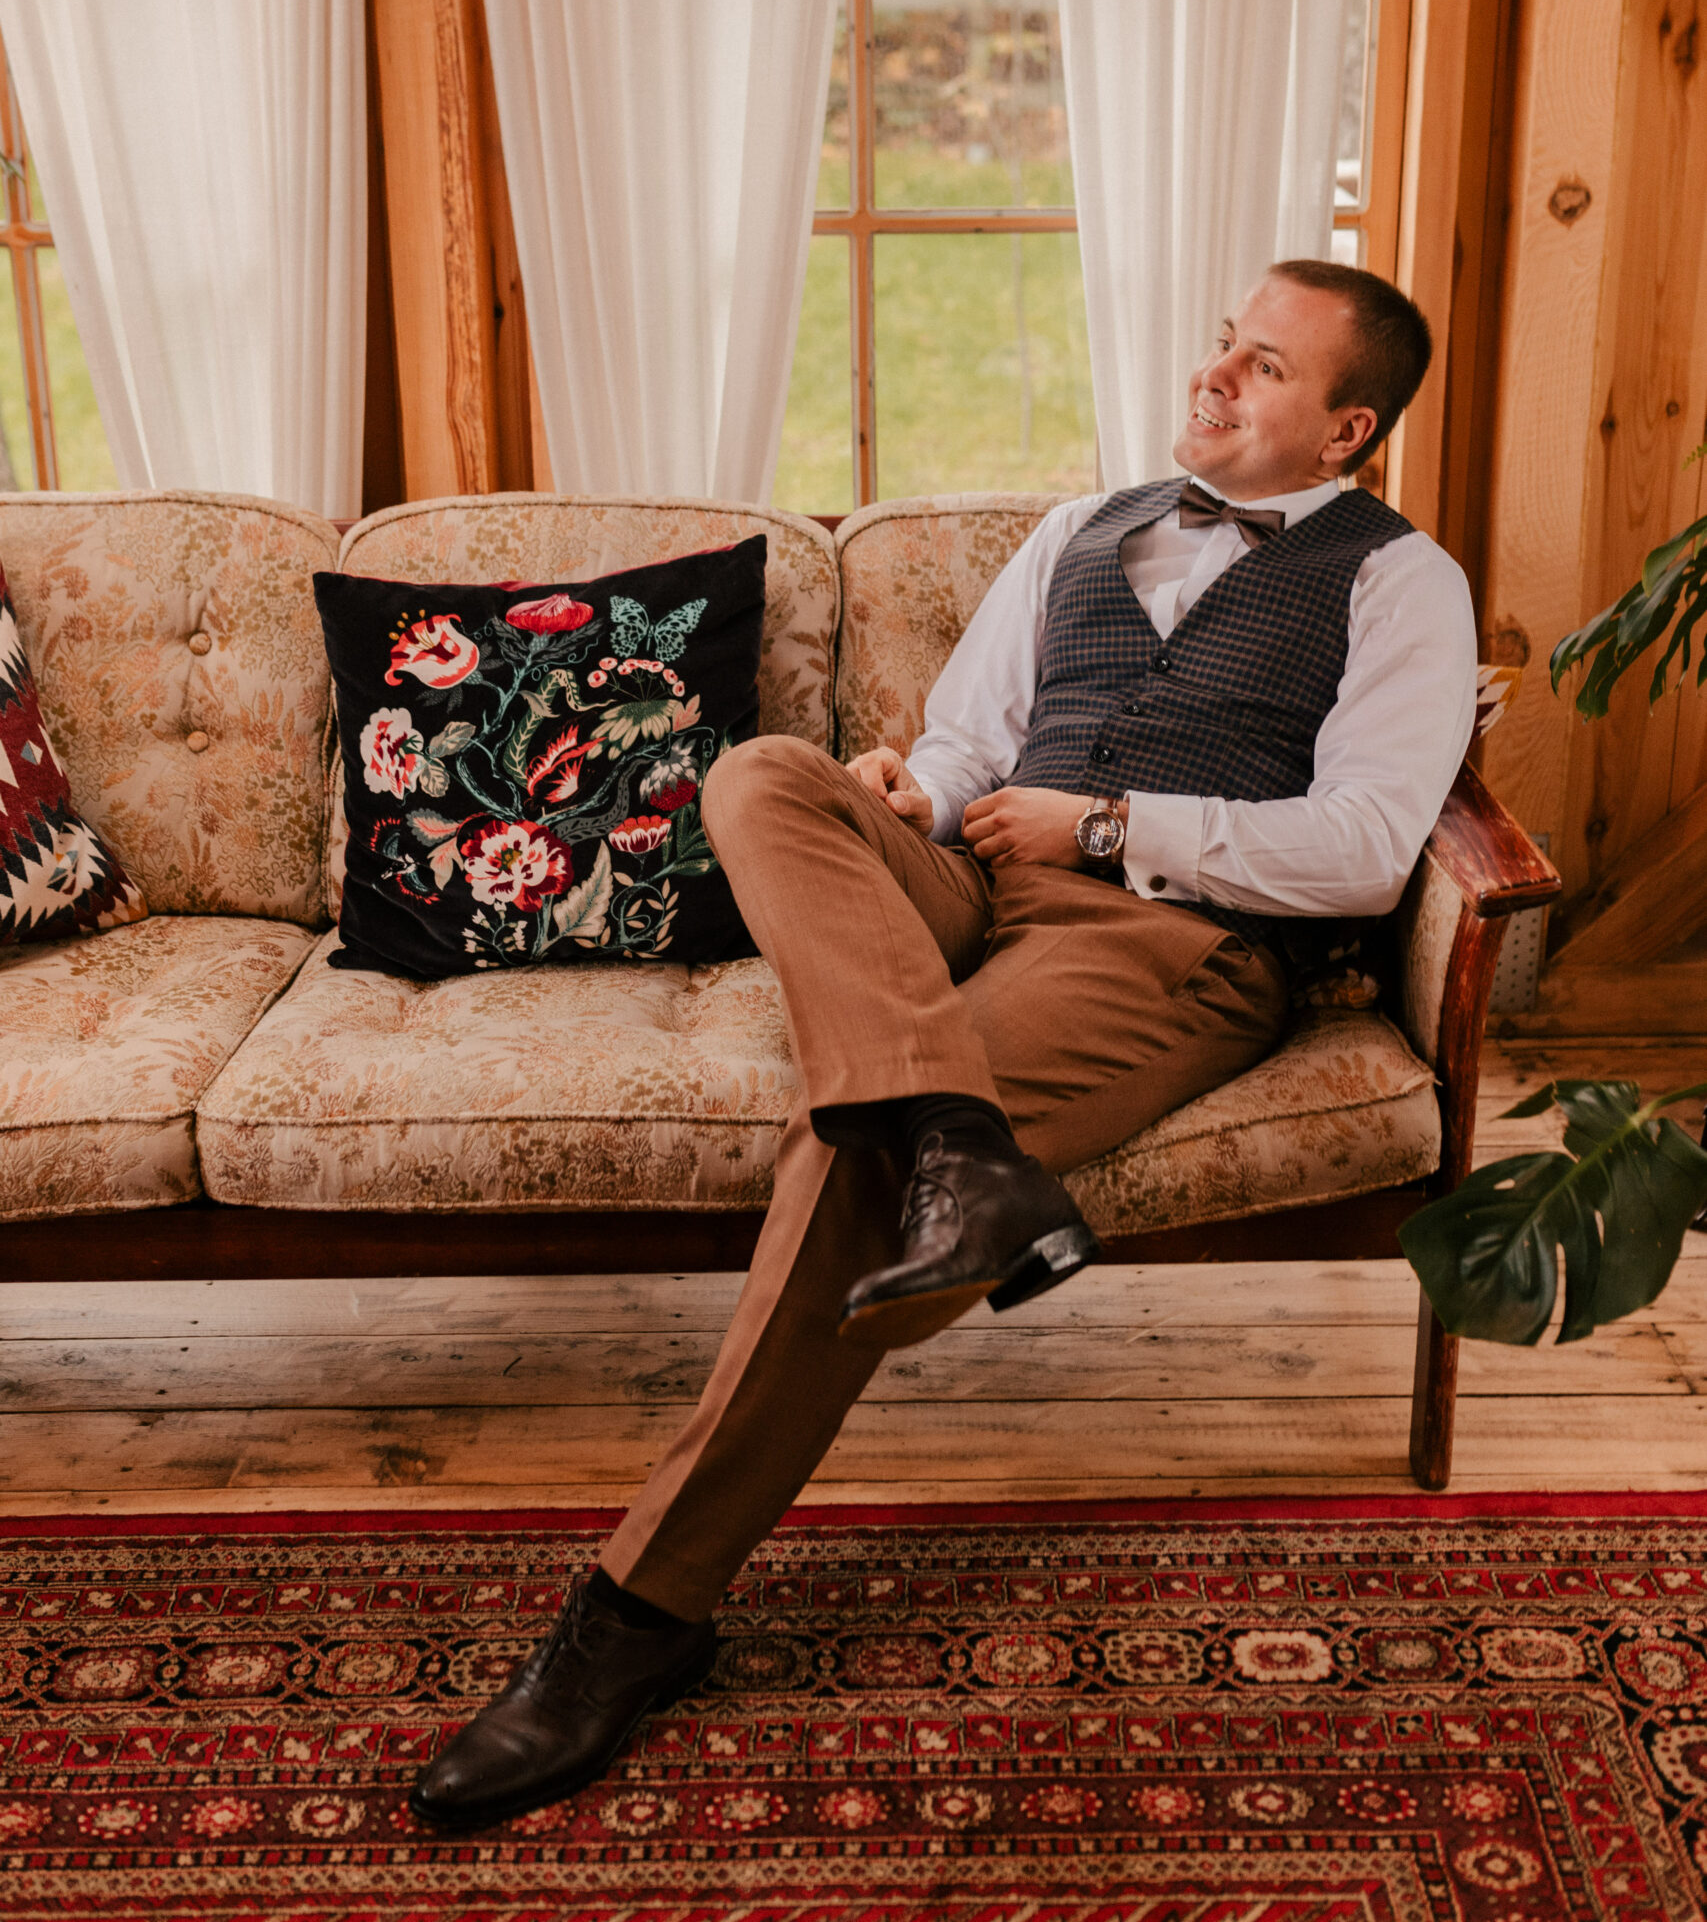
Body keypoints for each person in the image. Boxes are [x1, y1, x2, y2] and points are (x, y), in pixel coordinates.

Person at [411, 257, 1478, 1831]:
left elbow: (1373, 849)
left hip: (1161, 938)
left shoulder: (1403, 584)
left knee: (847, 1158)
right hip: (968, 879)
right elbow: (971, 739)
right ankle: (965, 1152)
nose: (1212, 375)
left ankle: (637, 1617)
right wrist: (914, 791)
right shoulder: (1081, 530)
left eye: (1262, 366)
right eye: (1221, 345)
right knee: (767, 776)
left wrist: (1108, 824)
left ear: (1346, 431)